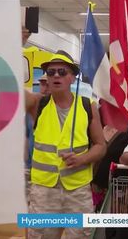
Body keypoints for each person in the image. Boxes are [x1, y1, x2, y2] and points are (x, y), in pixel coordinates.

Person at [25, 50, 106, 239]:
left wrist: (82, 159)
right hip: (43, 191)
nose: (55, 76)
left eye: (62, 72)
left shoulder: (87, 106)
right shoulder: (38, 104)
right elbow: (10, 92)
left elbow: (101, 145)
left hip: (77, 191)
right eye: (51, 72)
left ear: (72, 78)